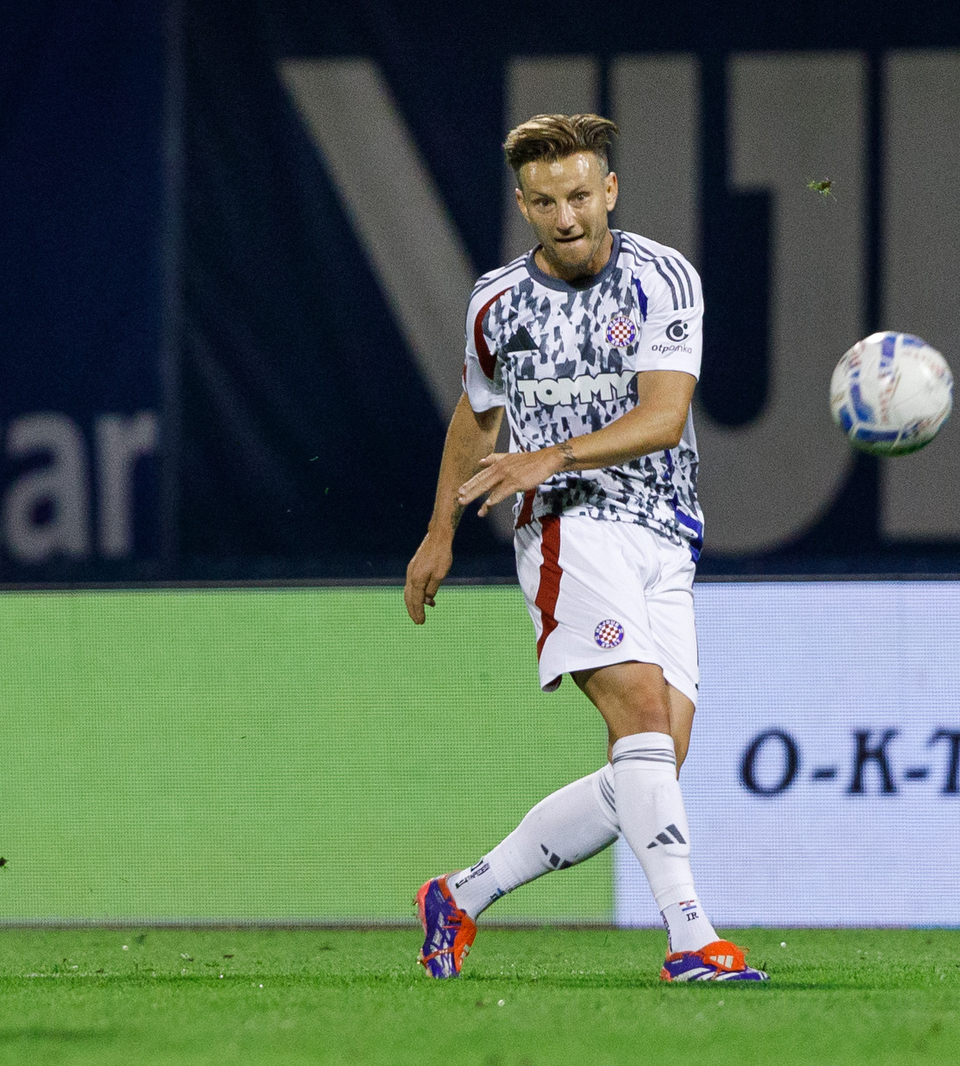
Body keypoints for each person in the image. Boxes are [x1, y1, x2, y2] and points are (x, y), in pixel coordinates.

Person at [402, 113, 765, 983]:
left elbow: (664, 416)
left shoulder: (662, 279)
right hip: (566, 524)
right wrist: (439, 530)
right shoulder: (495, 303)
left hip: (666, 529)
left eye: (577, 196)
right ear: (523, 205)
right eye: (542, 202)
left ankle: (459, 895)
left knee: (654, 765)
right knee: (639, 718)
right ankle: (690, 940)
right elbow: (477, 414)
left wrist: (547, 451)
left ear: (609, 191)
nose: (564, 217)